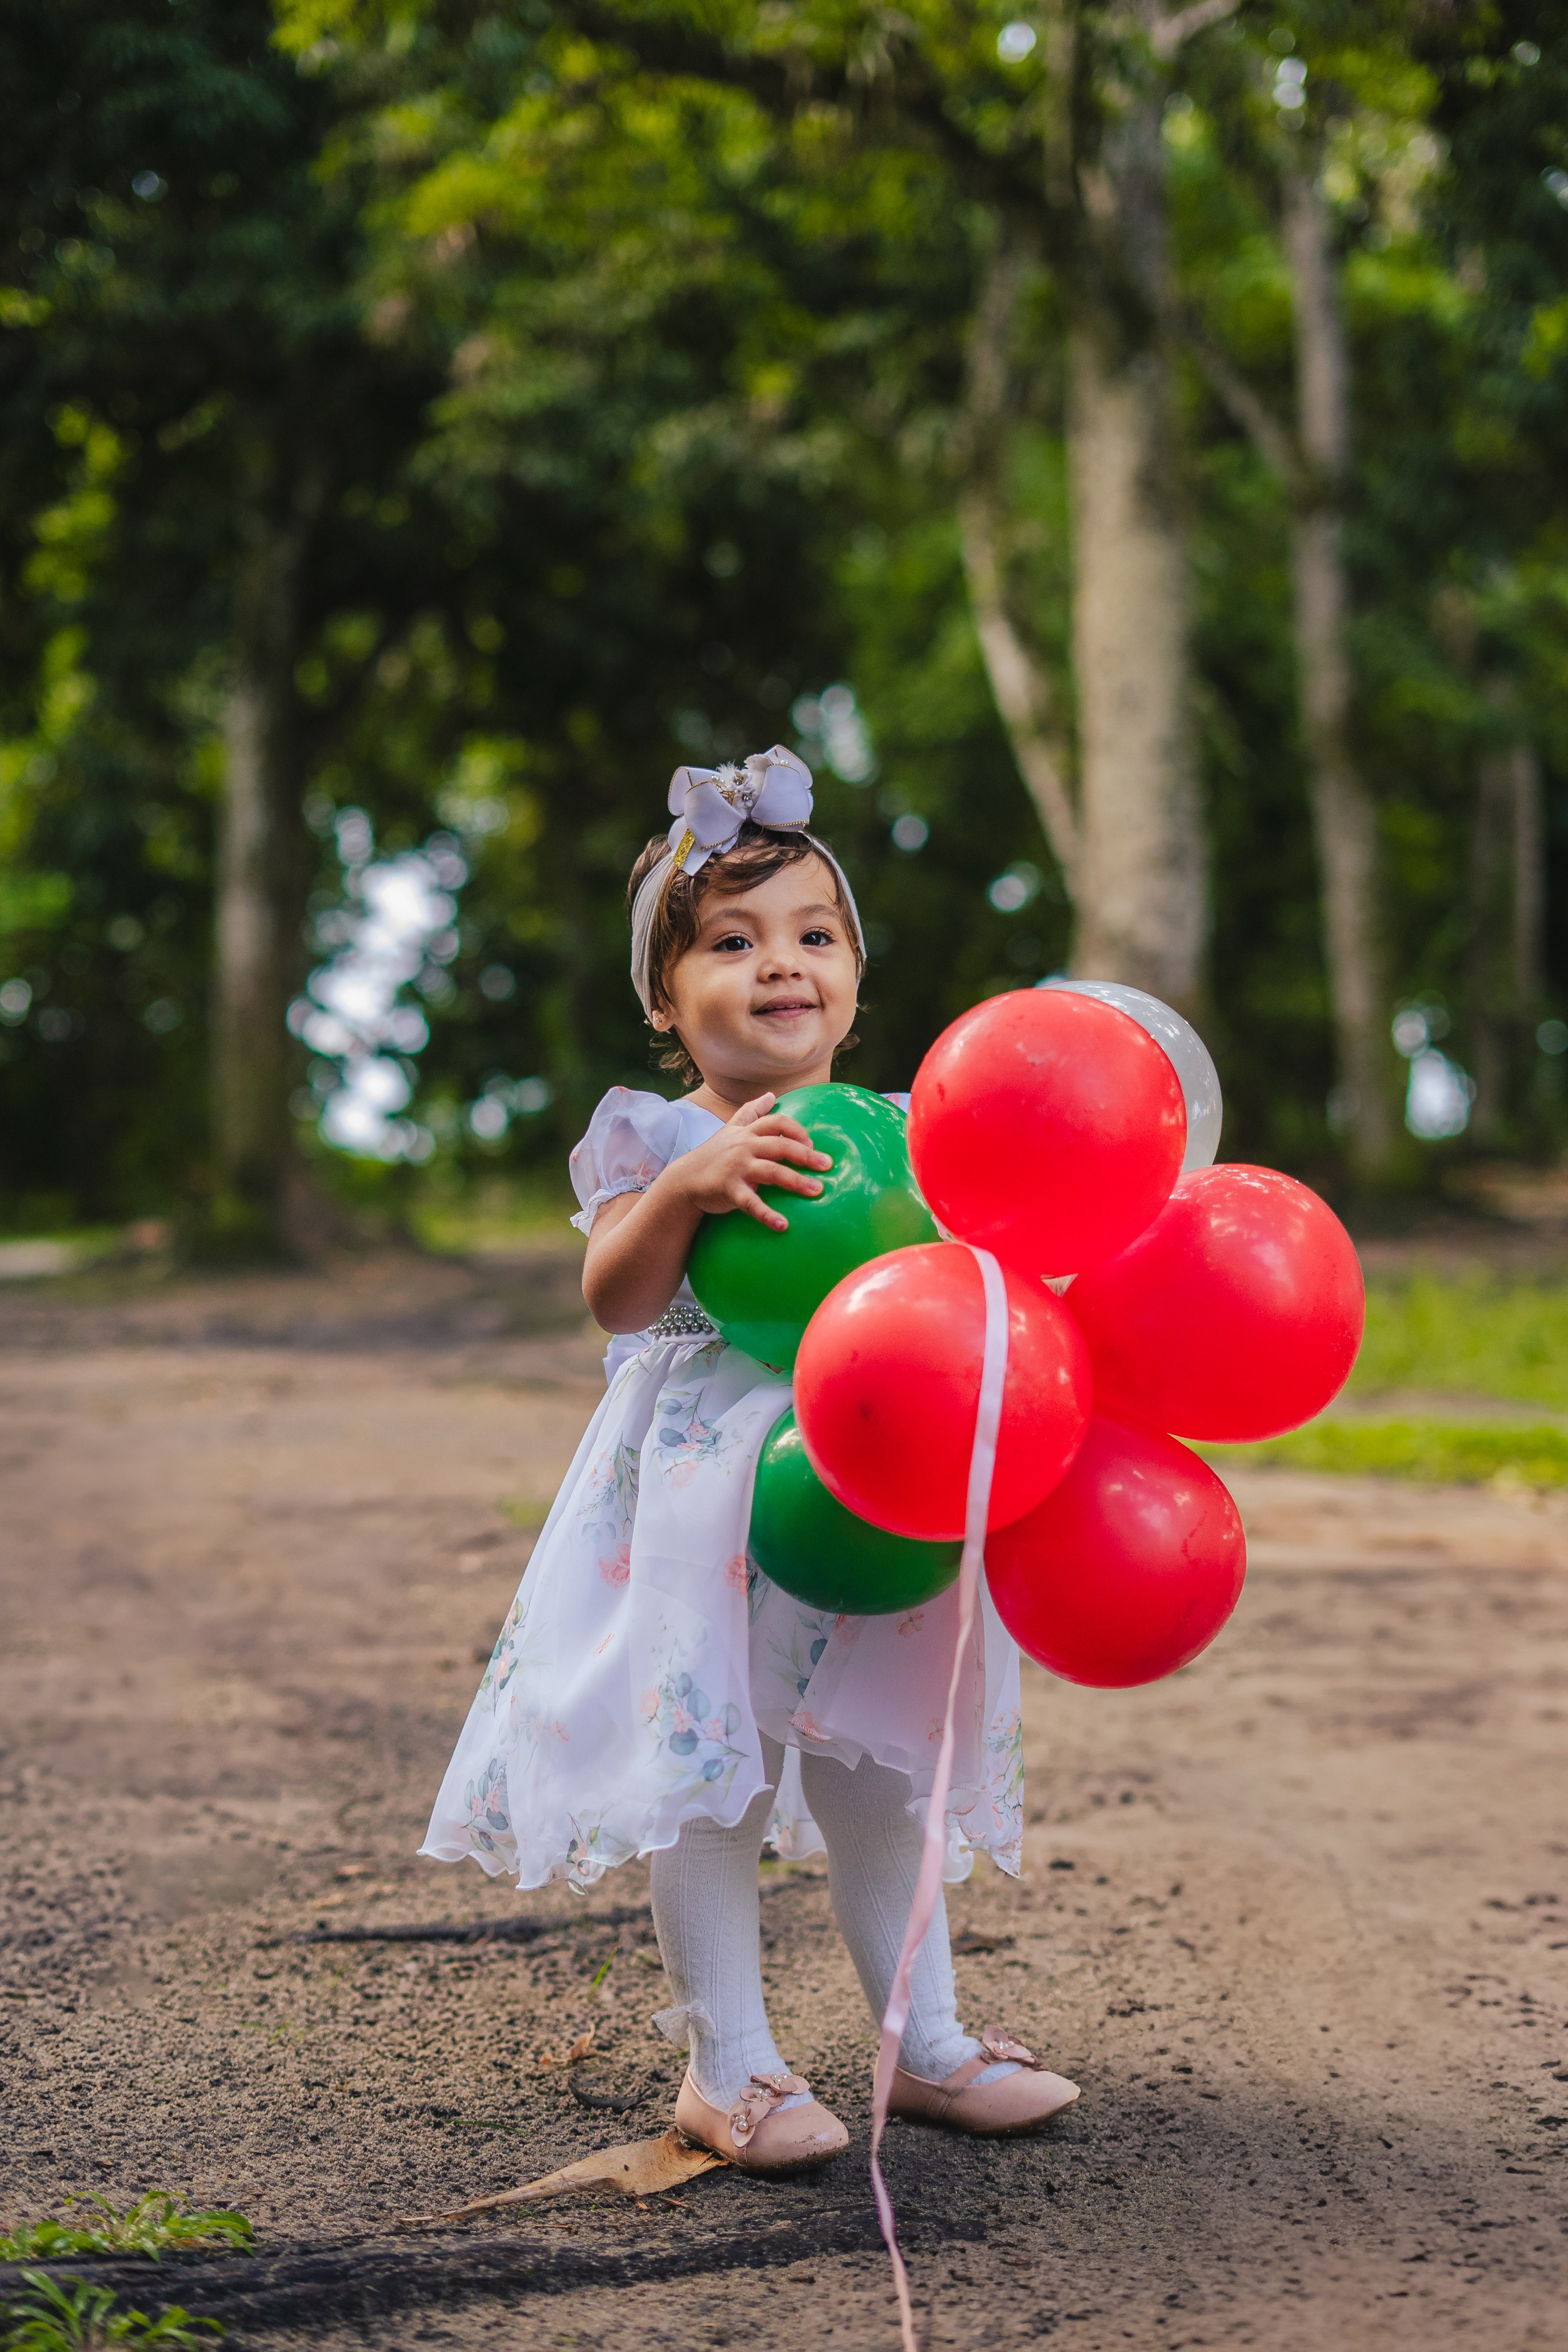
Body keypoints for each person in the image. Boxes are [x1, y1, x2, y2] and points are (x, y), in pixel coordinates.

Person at [420, 746, 1078, 2168]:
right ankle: (729, 2071)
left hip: (870, 1498)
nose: (781, 965)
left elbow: (982, 1285)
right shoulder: (656, 1138)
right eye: (732, 942)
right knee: (704, 1774)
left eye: (813, 935)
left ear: (852, 974)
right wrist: (682, 1189)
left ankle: (930, 2043)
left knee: (879, 1775)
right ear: (667, 1000)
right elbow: (614, 1295)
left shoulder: (913, 1138)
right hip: (704, 1513)